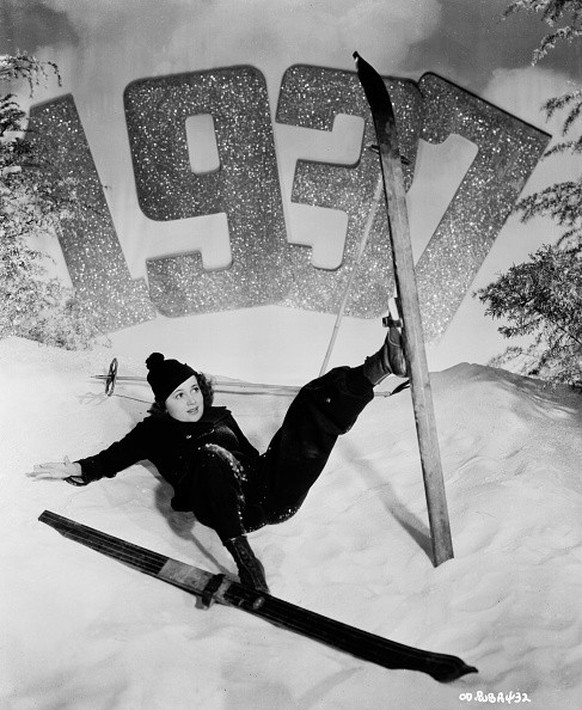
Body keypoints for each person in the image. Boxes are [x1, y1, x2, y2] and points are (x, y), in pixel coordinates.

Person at [29, 326, 407, 593]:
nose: (192, 400)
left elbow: (252, 459)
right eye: (179, 396)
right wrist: (76, 469)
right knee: (211, 456)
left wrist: (283, 461)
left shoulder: (219, 416)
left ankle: (383, 364)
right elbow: (110, 459)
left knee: (310, 402)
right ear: (163, 404)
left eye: (194, 389)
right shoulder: (153, 433)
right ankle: (245, 560)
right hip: (228, 509)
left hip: (268, 495)